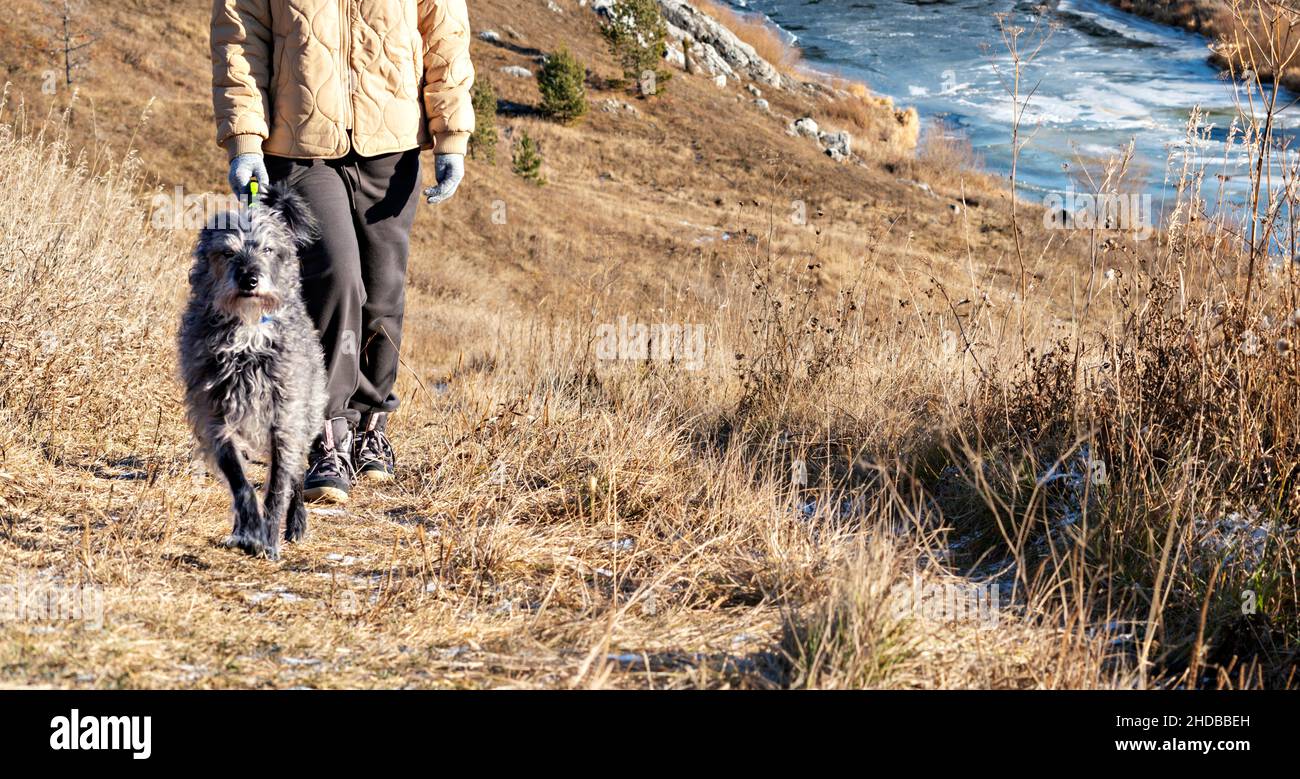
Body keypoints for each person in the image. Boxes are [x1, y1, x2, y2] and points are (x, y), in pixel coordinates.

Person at [210, 0, 474, 503]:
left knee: (382, 290)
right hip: (299, 143)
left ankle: (371, 425)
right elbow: (240, 37)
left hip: (391, 144)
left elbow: (445, 34)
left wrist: (451, 136)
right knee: (336, 275)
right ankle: (327, 435)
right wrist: (245, 141)